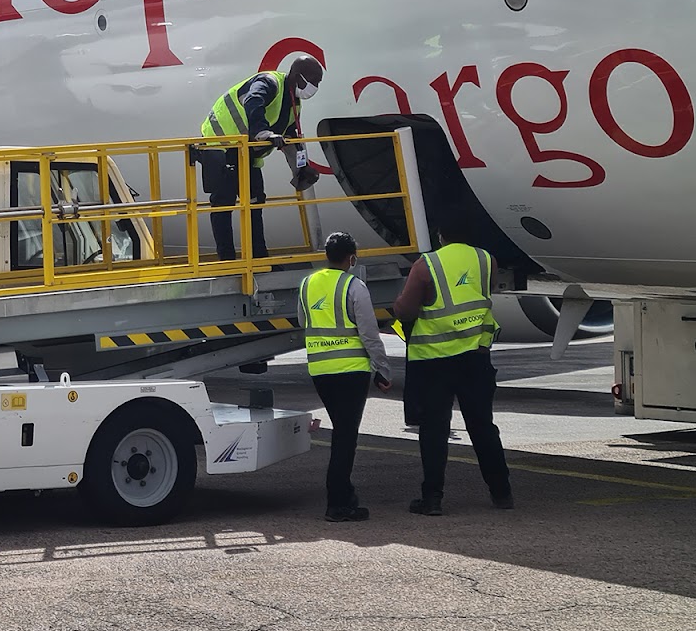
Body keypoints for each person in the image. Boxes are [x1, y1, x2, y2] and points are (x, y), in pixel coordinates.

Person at [395, 218, 512, 516]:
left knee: (434, 431)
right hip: (475, 357)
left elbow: (405, 310)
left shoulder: (426, 265)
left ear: (440, 234)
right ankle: (502, 493)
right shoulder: (487, 260)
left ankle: (432, 499)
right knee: (483, 427)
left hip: (434, 360)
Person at [298, 231, 391, 521]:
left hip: (320, 371)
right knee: (345, 437)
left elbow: (303, 321)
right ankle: (337, 502)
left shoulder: (307, 283)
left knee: (342, 432)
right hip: (351, 372)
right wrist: (382, 369)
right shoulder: (355, 285)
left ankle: (344, 493)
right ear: (352, 258)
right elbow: (369, 333)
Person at [197, 55, 324, 260]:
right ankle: (228, 261)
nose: (315, 87)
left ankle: (259, 259)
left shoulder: (294, 101)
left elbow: (292, 137)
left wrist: (301, 168)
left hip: (246, 151)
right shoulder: (269, 82)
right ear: (297, 76)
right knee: (223, 204)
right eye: (314, 81)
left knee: (255, 203)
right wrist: (263, 133)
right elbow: (253, 101)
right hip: (219, 144)